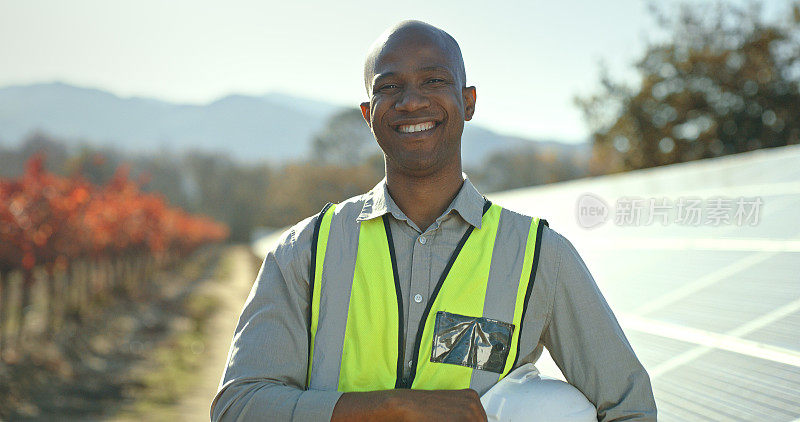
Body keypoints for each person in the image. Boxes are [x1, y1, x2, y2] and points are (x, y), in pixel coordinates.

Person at [211, 20, 657, 422]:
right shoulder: (305, 250)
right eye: (389, 88)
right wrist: (388, 408)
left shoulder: (540, 256)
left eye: (434, 80)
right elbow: (238, 406)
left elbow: (629, 407)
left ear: (468, 102)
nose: (412, 101)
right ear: (369, 115)